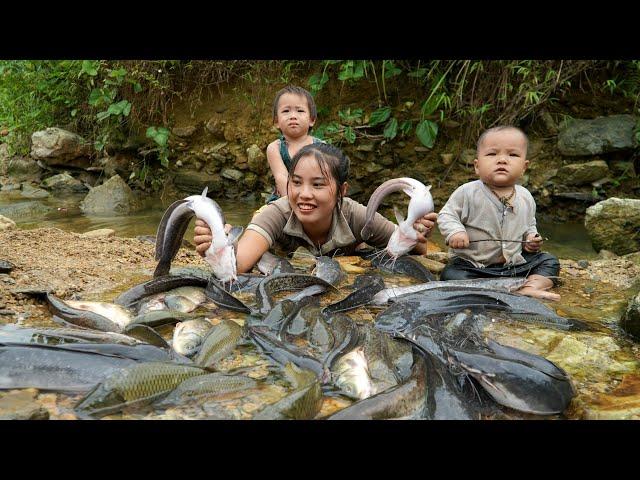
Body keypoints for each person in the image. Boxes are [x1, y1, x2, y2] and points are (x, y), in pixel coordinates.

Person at [194, 143, 438, 273]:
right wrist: (214, 248)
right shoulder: (277, 213)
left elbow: (418, 250)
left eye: (318, 185)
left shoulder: (357, 215)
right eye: (296, 182)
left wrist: (415, 231)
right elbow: (239, 265)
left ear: (342, 191)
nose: (304, 194)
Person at [437, 125, 561, 301]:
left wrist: (531, 238)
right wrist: (455, 231)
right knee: (451, 274)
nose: (502, 160)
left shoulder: (525, 196)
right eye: (492, 154)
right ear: (477, 166)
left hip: (513, 265)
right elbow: (447, 215)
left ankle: (530, 287)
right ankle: (501, 290)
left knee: (549, 261)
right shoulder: (468, 192)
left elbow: (529, 224)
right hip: (473, 266)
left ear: (524, 167)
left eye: (512, 155)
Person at [265, 85, 324, 204]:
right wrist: (296, 205)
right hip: (284, 200)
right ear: (277, 121)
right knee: (260, 218)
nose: (293, 116)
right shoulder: (275, 148)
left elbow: (327, 180)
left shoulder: (322, 147)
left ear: (312, 119)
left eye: (300, 111)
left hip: (315, 199)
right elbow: (282, 178)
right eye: (286, 111)